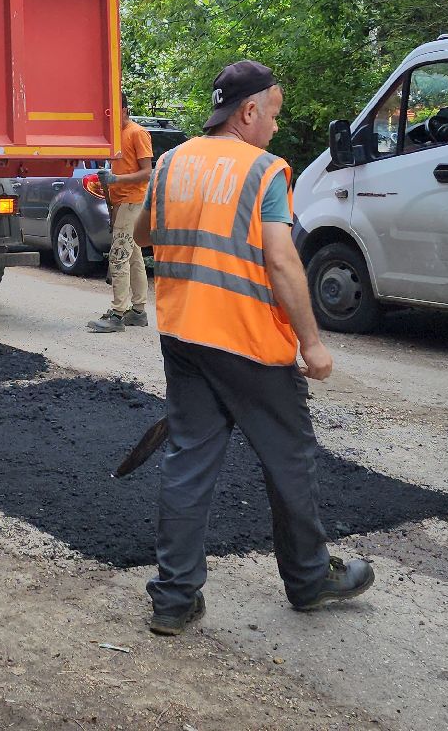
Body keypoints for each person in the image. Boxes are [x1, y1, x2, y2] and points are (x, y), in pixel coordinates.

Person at [133, 60, 374, 636]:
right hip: (248, 341)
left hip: (184, 334)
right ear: (247, 112)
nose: (273, 126)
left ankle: (173, 597)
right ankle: (311, 578)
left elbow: (143, 234)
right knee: (289, 460)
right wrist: (312, 343)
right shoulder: (265, 172)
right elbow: (282, 258)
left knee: (189, 461)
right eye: (271, 114)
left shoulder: (170, 163)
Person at [88, 91, 153, 333]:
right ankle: (138, 311)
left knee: (118, 256)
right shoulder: (116, 137)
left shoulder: (137, 133)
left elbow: (148, 172)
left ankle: (117, 314)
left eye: (115, 111)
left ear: (124, 110)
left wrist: (116, 179)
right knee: (133, 256)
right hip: (123, 202)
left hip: (133, 201)